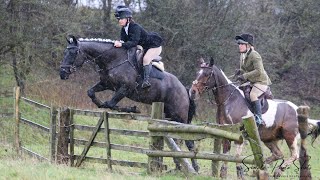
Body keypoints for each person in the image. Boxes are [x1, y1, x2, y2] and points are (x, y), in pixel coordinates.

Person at [113, 5, 163, 89]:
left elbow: (133, 42)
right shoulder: (124, 29)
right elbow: (124, 41)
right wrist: (118, 43)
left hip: (154, 46)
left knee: (146, 59)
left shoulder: (135, 27)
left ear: (128, 19)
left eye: (121, 19)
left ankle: (146, 81)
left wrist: (121, 44)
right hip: (143, 46)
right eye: (118, 19)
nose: (119, 21)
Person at [234, 33, 272, 126]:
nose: (240, 46)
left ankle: (258, 118)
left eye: (242, 44)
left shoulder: (255, 55)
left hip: (261, 81)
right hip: (251, 81)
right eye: (239, 44)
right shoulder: (242, 56)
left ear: (248, 45)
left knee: (253, 95)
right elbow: (244, 69)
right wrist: (240, 72)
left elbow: (259, 71)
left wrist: (245, 76)